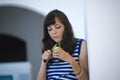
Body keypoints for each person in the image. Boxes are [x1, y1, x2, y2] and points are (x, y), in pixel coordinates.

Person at [37, 9, 89, 80]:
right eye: (50, 29)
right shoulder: (48, 49)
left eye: (57, 27)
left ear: (66, 27)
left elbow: (86, 78)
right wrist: (44, 62)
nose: (54, 32)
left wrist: (70, 60)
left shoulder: (81, 45)